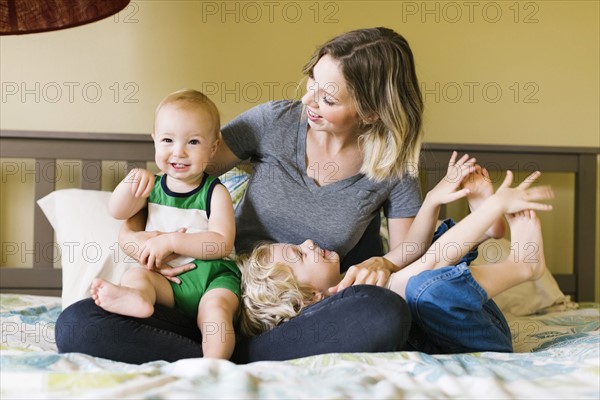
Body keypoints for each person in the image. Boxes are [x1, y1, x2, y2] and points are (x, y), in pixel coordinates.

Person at [56, 27, 503, 364]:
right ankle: (224, 349)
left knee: (384, 313)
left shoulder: (388, 165)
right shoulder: (273, 122)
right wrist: (132, 237)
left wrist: (384, 262)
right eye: (312, 81)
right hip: (213, 293)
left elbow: (409, 248)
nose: (310, 99)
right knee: (78, 323)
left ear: (370, 110)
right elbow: (174, 182)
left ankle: (240, 356)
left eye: (328, 98)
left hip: (300, 311)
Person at [238, 170, 554, 355]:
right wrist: (496, 204)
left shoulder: (352, 276)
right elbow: (432, 263)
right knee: (425, 288)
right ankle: (524, 266)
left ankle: (484, 231)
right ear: (309, 297)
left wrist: (431, 200)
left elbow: (415, 251)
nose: (307, 242)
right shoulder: (350, 299)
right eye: (299, 254)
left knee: (421, 273)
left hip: (466, 319)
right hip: (480, 341)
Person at [90, 89, 240, 360]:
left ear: (213, 147)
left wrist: (170, 241)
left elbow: (221, 242)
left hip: (212, 278)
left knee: (216, 311)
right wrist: (132, 182)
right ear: (155, 142)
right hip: (167, 282)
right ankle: (139, 299)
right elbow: (117, 210)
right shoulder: (152, 187)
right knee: (135, 276)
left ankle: (213, 365)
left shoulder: (215, 192)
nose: (179, 152)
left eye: (193, 142)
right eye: (168, 140)